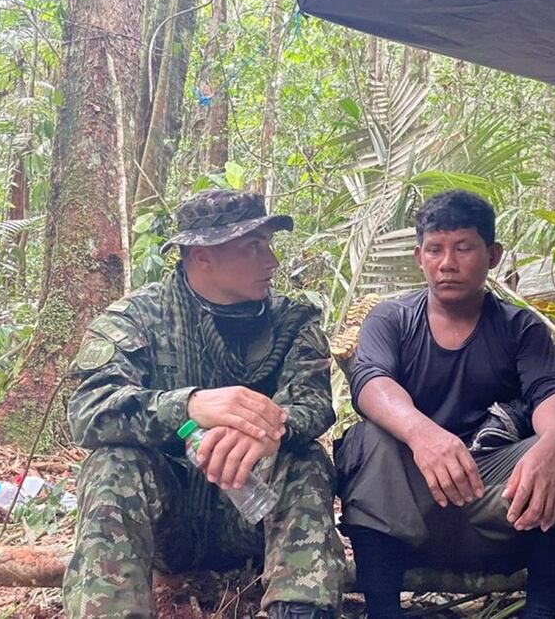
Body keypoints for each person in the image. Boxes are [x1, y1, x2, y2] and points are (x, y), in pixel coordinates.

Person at [335, 190, 555, 619]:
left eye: (463, 248)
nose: (447, 263)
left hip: (497, 505)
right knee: (368, 440)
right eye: (434, 249)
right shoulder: (391, 319)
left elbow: (551, 392)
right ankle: (384, 610)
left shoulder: (519, 327)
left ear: (493, 255)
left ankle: (542, 611)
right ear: (419, 256)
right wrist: (423, 435)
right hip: (410, 507)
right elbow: (371, 381)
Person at [63, 190, 345, 619]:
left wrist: (268, 432)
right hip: (168, 518)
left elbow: (312, 401)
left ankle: (302, 608)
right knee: (112, 464)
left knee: (304, 458)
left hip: (256, 514)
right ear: (202, 255)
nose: (270, 260)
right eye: (253, 246)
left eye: (268, 243)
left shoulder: (291, 321)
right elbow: (88, 410)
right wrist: (188, 406)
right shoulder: (138, 317)